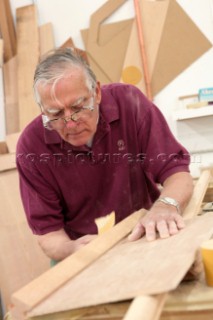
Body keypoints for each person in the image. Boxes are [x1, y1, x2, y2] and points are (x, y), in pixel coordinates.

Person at [16, 48, 194, 263]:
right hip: (84, 252)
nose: (70, 123)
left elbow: (177, 173)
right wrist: (71, 249)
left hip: (146, 232)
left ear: (97, 92)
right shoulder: (31, 146)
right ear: (43, 111)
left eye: (79, 107)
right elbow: (49, 234)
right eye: (55, 114)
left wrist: (165, 206)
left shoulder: (129, 102)